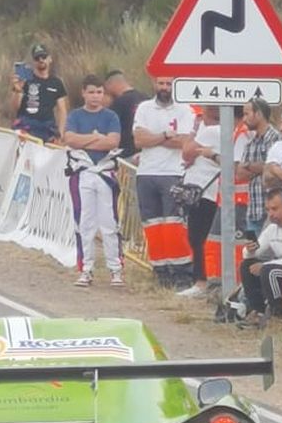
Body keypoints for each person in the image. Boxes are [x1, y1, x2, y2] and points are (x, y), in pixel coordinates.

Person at [131, 77, 199, 281]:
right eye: (161, 84)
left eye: (168, 84)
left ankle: (180, 272)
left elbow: (186, 142)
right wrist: (165, 136)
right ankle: (160, 271)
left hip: (173, 173)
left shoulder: (185, 109)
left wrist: (154, 139)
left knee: (173, 224)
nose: (164, 88)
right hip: (146, 173)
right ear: (154, 84)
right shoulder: (144, 108)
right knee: (152, 224)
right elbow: (138, 140)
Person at [65, 74, 124, 287]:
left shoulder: (111, 117)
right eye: (91, 92)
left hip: (105, 174)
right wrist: (96, 137)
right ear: (83, 93)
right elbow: (70, 139)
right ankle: (86, 269)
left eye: (99, 92)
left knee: (109, 223)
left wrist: (89, 140)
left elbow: (112, 142)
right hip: (83, 173)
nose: (95, 96)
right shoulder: (75, 115)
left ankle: (115, 269)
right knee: (85, 223)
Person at [176, 110, 222, 296]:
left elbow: (186, 153)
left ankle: (201, 281)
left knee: (197, 237)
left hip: (205, 192)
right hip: (207, 191)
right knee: (201, 237)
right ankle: (205, 279)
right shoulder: (223, 132)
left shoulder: (210, 131)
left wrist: (194, 130)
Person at [239, 187, 282, 321]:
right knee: (247, 265)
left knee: (269, 271)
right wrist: (250, 250)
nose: (270, 214)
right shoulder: (271, 229)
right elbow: (248, 254)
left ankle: (278, 315)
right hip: (281, 268)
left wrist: (264, 266)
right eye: (268, 210)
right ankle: (258, 311)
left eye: (275, 209)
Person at [234, 98, 279, 232]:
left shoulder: (275, 138)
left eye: (247, 114)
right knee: (251, 251)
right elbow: (240, 174)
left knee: (271, 251)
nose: (244, 119)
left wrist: (249, 166)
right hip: (253, 212)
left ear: (258, 114)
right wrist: (260, 167)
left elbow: (273, 169)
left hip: (272, 214)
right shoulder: (251, 143)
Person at [10, 44, 66, 141]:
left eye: (44, 57)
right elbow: (14, 108)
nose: (41, 60)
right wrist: (18, 90)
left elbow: (62, 110)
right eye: (37, 58)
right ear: (33, 62)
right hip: (27, 124)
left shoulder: (57, 82)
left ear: (50, 59)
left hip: (47, 126)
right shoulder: (25, 80)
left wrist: (60, 133)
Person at [102, 71, 143, 160]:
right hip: (145, 153)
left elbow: (105, 129)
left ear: (111, 84)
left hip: (126, 154)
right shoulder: (146, 98)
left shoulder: (119, 103)